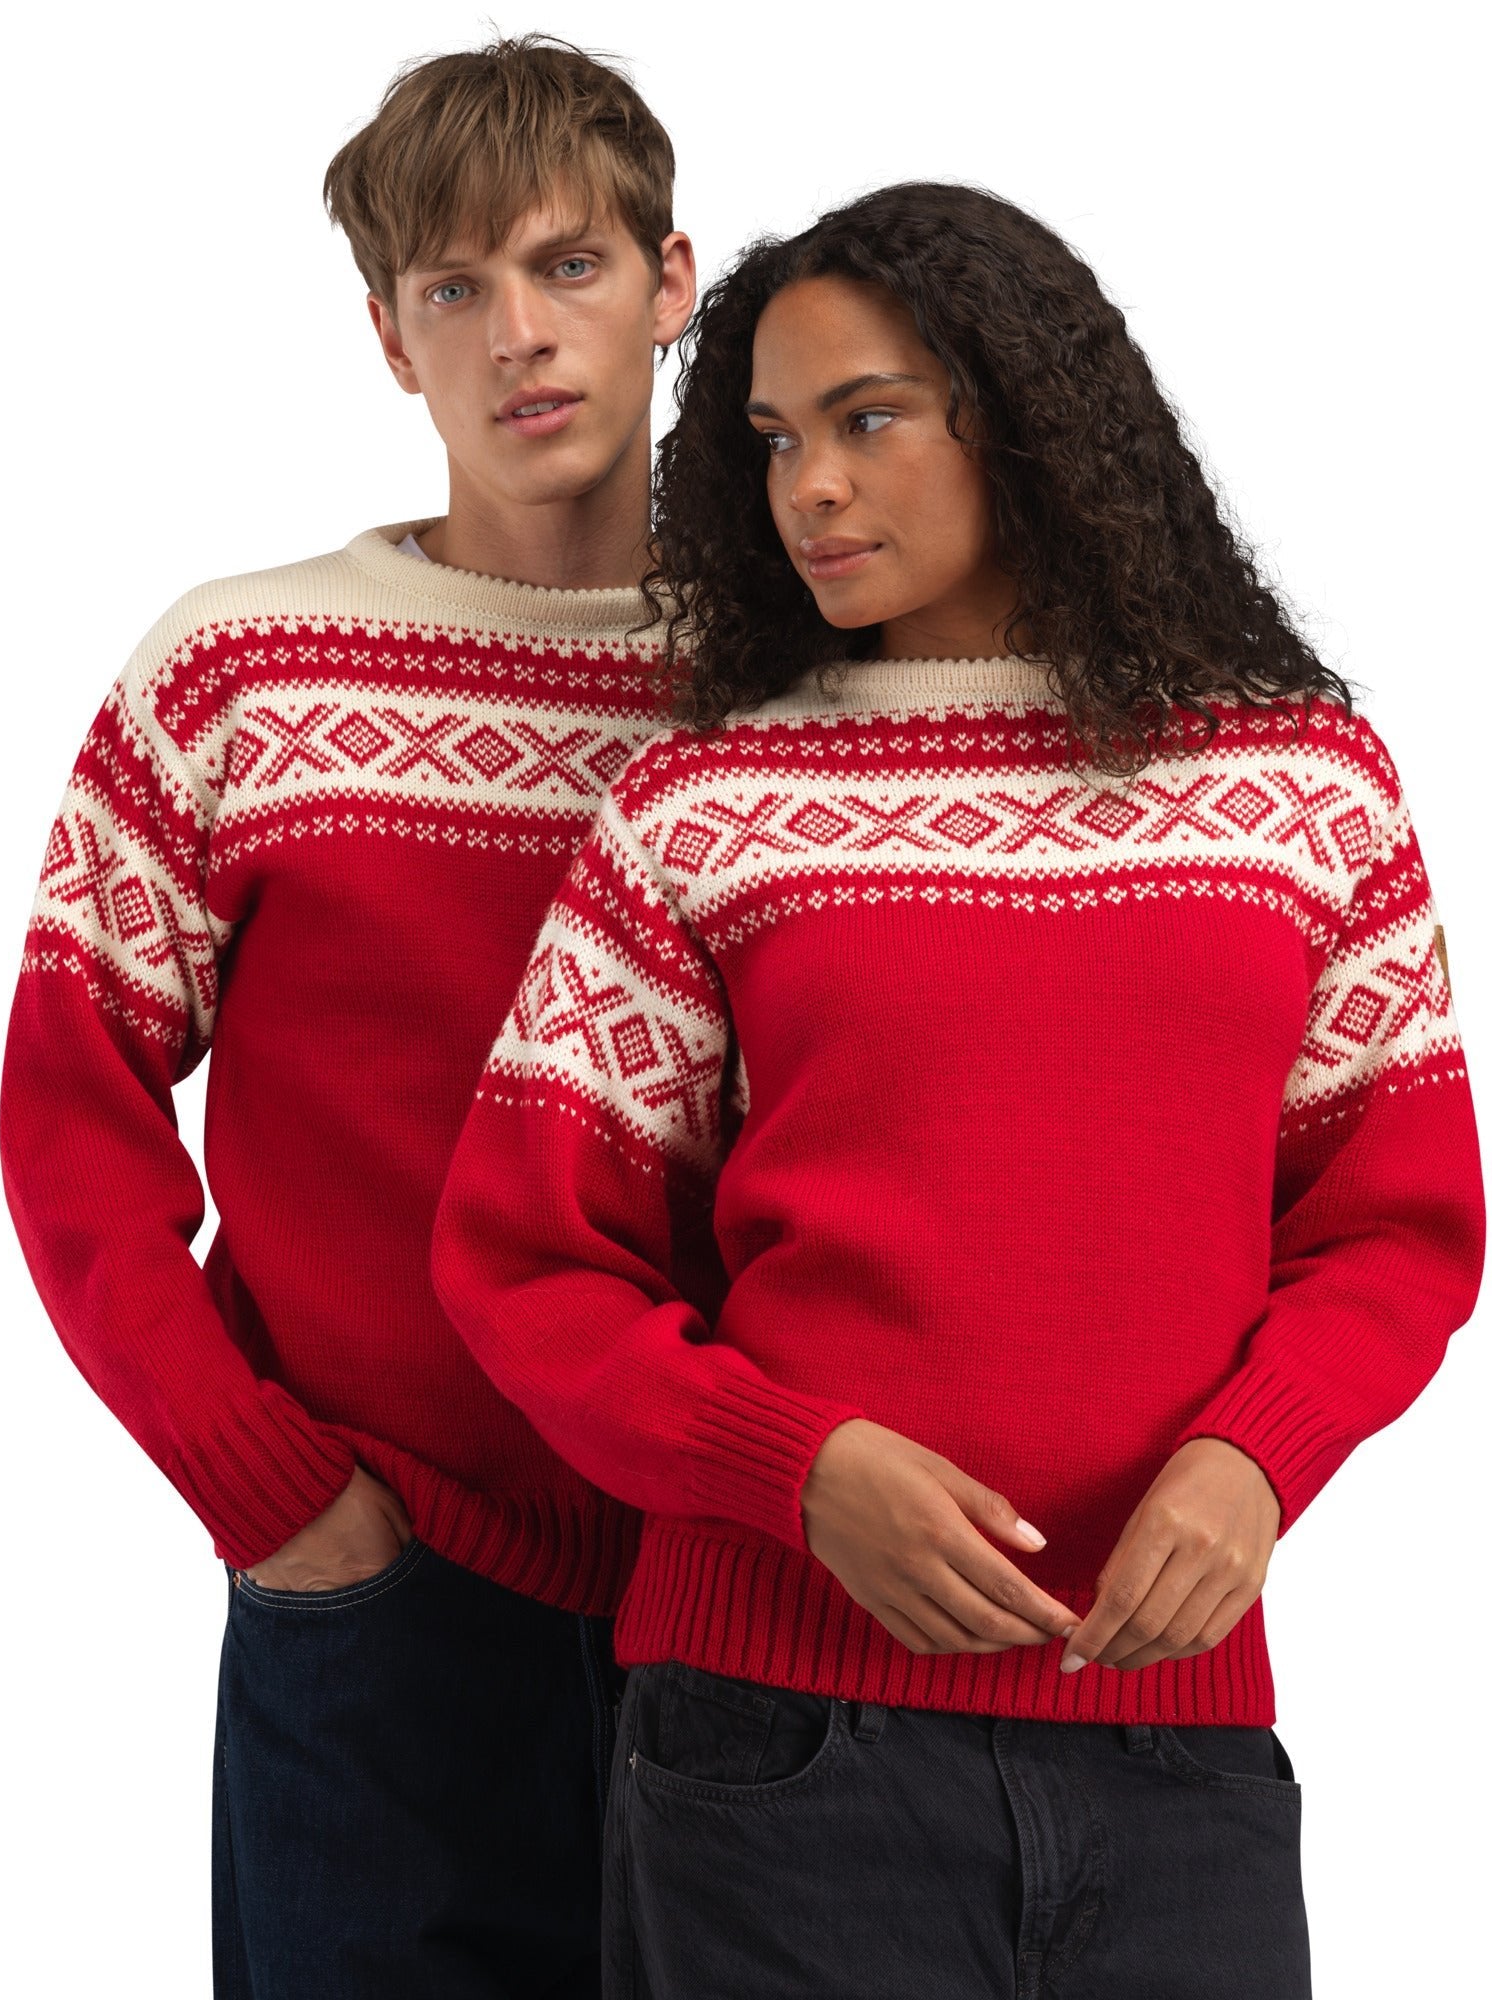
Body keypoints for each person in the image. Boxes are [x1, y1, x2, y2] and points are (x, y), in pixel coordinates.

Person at [431, 181, 1486, 1997]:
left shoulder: (1302, 787)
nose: (810, 489)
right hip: (774, 1748)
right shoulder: (703, 810)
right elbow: (527, 1262)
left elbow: (1399, 1221)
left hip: (1176, 1741)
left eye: (869, 420)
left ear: (1026, 421)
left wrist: (1260, 1452)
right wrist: (794, 1470)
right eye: (775, 439)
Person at [0, 35, 701, 1999]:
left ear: (672, 282)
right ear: (392, 340)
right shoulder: (245, 672)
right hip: (383, 1586)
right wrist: (268, 1485)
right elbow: (67, 1104)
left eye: (568, 265)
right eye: (453, 288)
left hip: (744, 1601)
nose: (518, 335)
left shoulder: (786, 696)